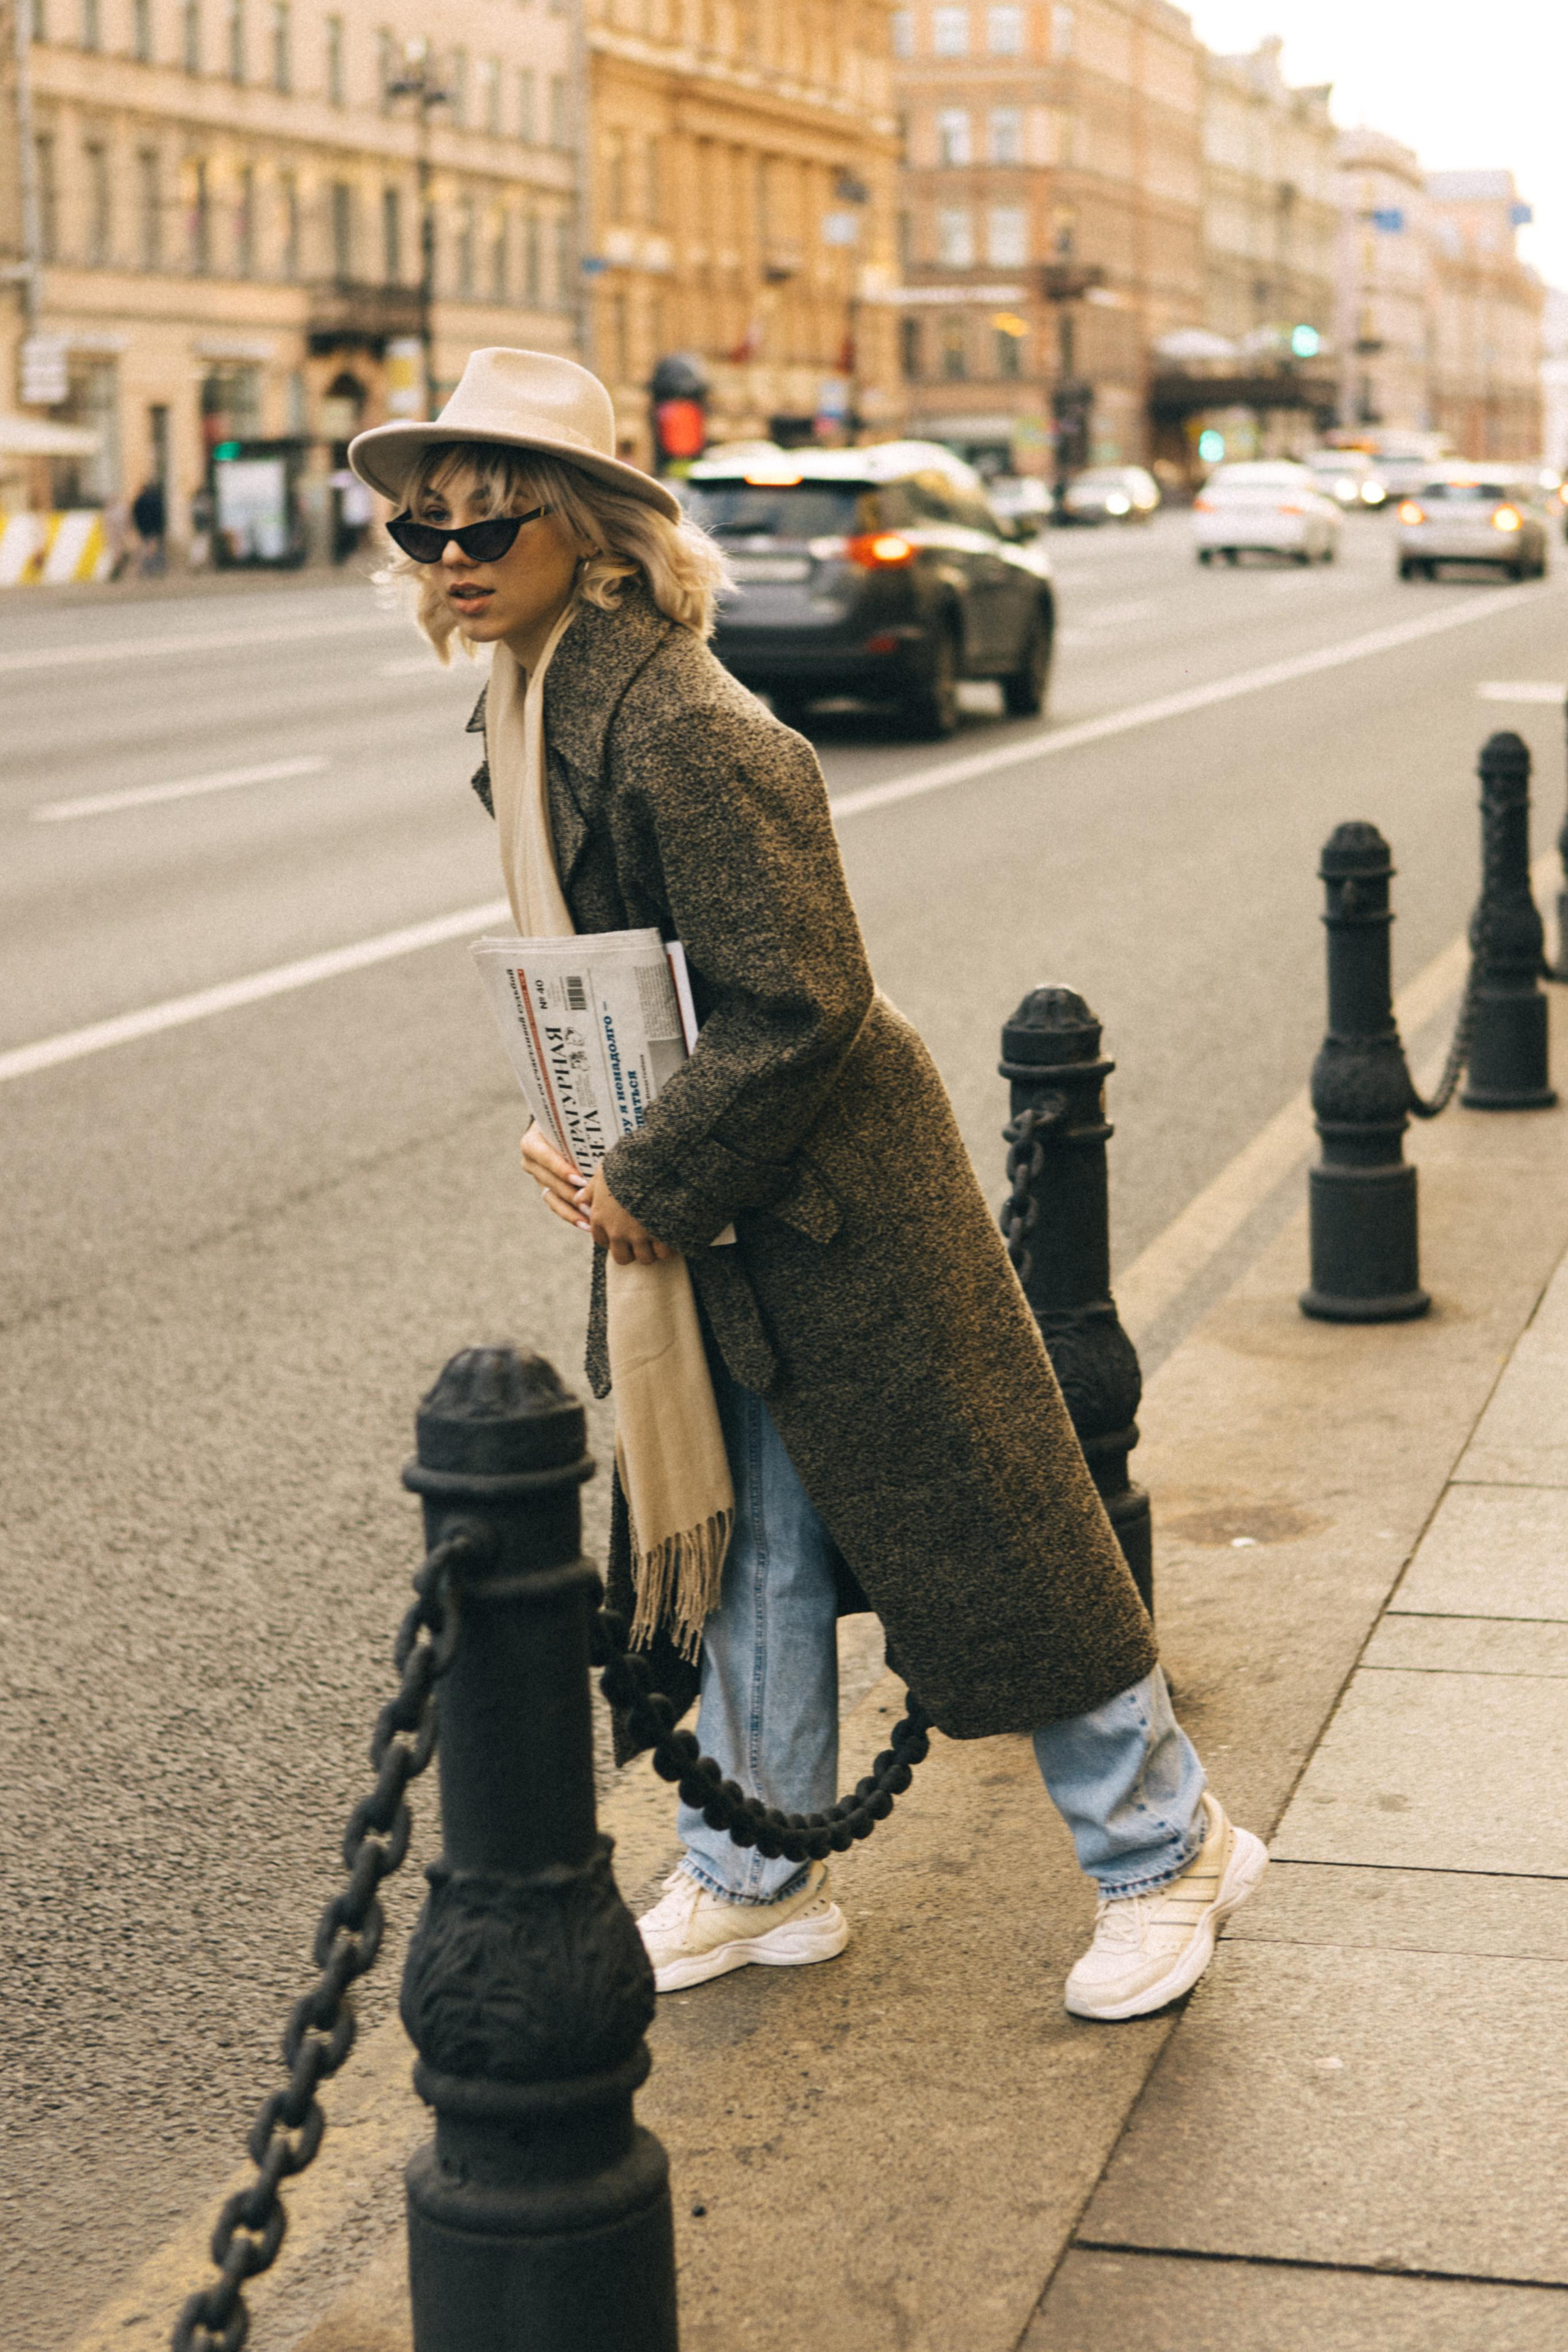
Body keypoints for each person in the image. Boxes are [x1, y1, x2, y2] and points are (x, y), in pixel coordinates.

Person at [349, 350, 1266, 2024]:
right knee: (754, 1531)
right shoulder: (537, 693)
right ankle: (764, 1873)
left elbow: (800, 996)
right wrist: (577, 1126)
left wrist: (653, 1160)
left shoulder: (684, 726)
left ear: (588, 527)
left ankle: (1169, 1847)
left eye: (486, 522)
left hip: (831, 1187)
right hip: (709, 1177)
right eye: (424, 527)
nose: (450, 555)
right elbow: (612, 969)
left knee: (989, 1525)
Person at [131, 477, 166, 575]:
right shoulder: (156, 500)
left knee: (145, 548)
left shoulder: (139, 501)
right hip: (154, 527)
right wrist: (160, 527)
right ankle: (157, 568)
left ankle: (145, 568)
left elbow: (135, 514)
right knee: (156, 548)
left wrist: (138, 526)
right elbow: (160, 515)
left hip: (144, 528)